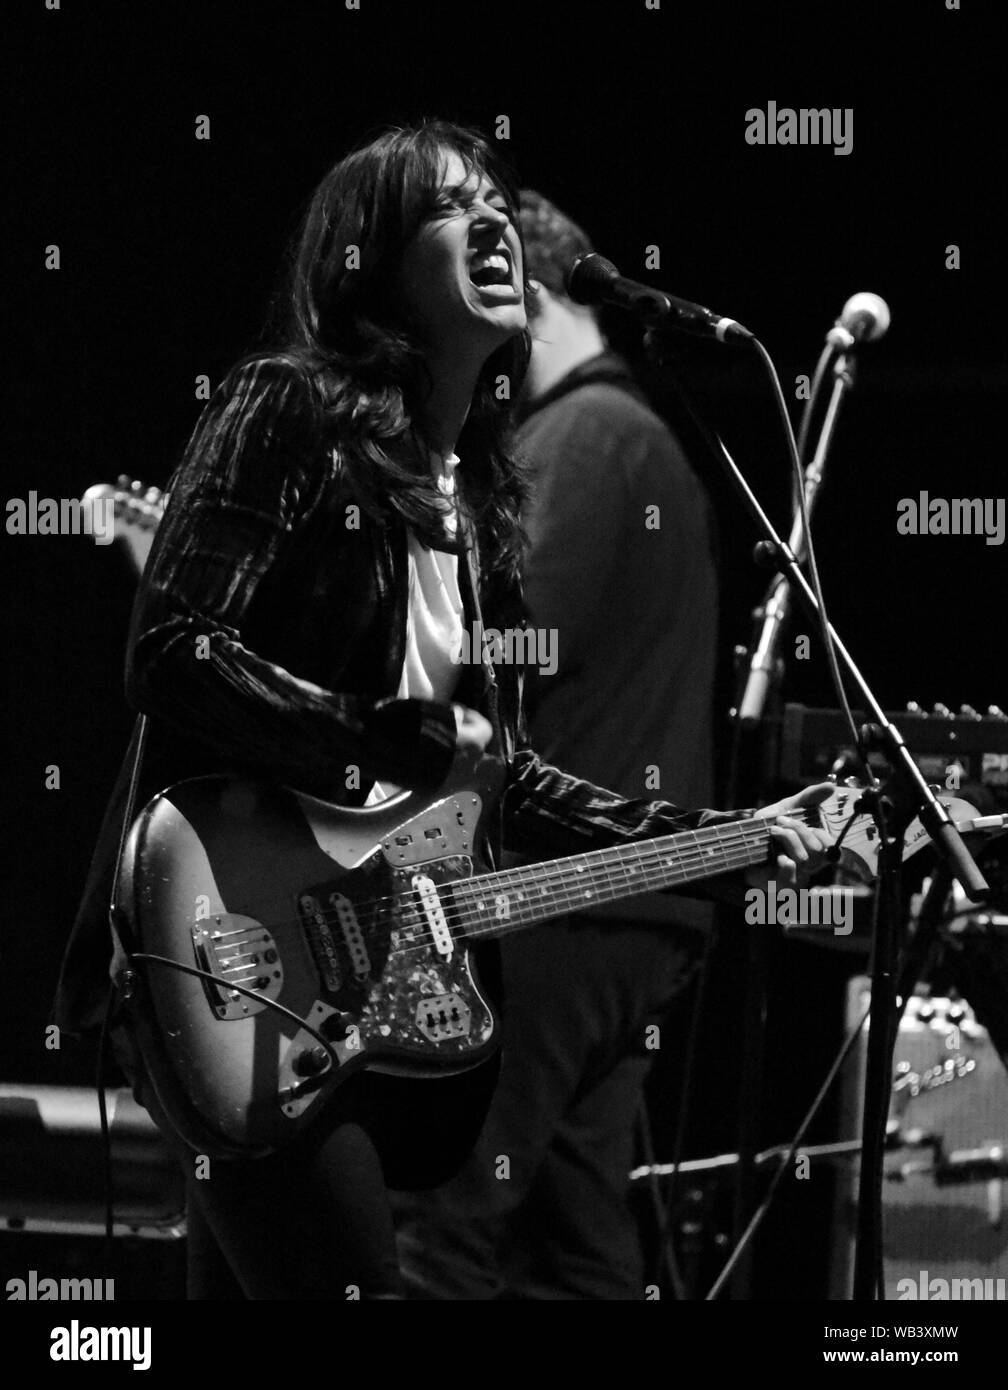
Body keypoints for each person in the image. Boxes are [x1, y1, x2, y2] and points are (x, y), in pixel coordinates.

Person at [54, 120, 831, 1300]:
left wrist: (733, 842)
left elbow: (498, 779)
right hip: (222, 943)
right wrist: (370, 736)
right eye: (447, 208)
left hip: (350, 987)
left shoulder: (477, 505)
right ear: (367, 261)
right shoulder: (289, 407)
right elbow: (170, 652)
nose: (493, 223)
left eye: (499, 202)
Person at [393, 191, 722, 1299]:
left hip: (559, 900)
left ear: (525, 298)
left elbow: (502, 647)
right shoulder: (646, 439)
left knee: (447, 1219)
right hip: (635, 910)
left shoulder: (579, 437)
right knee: (576, 1237)